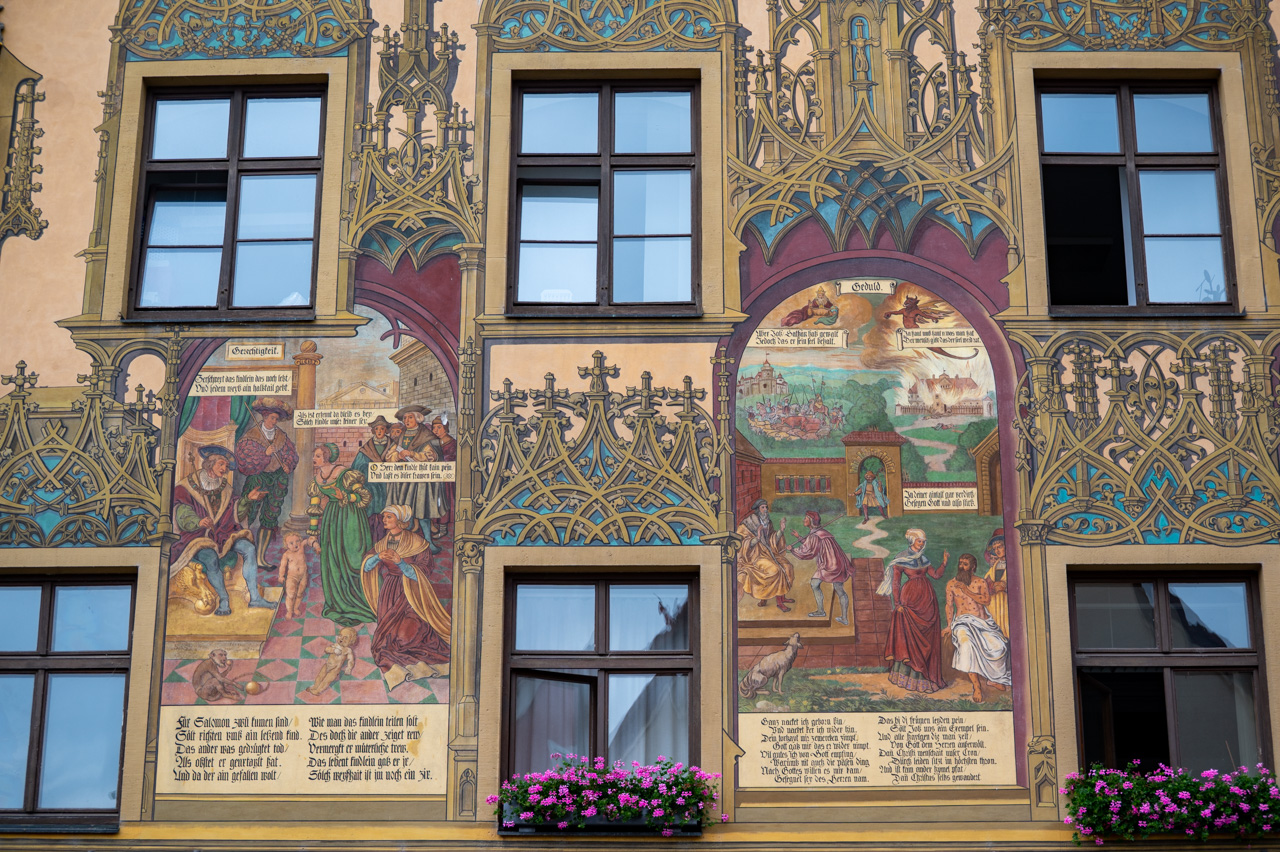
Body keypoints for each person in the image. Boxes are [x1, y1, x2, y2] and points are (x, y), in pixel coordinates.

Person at [171, 445, 274, 616]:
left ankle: (255, 597)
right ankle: (224, 599)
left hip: (223, 534)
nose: (224, 469)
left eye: (226, 466)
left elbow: (235, 513)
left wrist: (247, 500)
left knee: (249, 548)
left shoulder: (225, 489)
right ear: (210, 464)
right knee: (210, 558)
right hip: (197, 536)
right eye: (221, 464)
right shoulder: (187, 486)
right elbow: (182, 512)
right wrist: (198, 521)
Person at [360, 505, 452, 687]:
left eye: (389, 517)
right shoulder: (383, 543)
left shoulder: (417, 542)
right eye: (384, 517)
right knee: (387, 643)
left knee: (404, 638)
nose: (384, 520)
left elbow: (423, 573)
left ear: (400, 520)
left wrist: (400, 562)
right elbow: (367, 567)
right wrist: (378, 556)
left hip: (412, 594)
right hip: (389, 593)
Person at [308, 443, 377, 627]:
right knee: (333, 559)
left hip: (352, 518)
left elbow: (364, 496)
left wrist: (345, 497)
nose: (314, 459)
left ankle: (362, 600)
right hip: (331, 520)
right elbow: (314, 507)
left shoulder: (345, 474)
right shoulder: (317, 479)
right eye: (314, 456)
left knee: (354, 559)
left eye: (318, 456)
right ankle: (339, 603)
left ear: (327, 457)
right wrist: (313, 534)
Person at [234, 397, 299, 568]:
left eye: (276, 419)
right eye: (272, 418)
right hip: (257, 478)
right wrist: (265, 454)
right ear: (264, 417)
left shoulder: (282, 436)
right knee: (248, 514)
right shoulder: (251, 436)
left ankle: (260, 558)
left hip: (276, 481)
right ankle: (243, 557)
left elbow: (291, 455)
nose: (274, 421)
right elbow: (243, 460)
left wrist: (288, 465)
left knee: (270, 518)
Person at [883, 528, 948, 693]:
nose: (922, 544)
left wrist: (944, 563)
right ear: (912, 541)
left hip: (927, 601)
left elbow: (935, 575)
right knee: (910, 636)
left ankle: (928, 677)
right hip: (910, 601)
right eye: (920, 541)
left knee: (928, 636)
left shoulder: (923, 558)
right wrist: (897, 603)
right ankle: (910, 678)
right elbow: (896, 583)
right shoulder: (901, 558)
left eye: (923, 541)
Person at [943, 554, 1011, 703]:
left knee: (999, 647)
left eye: (965, 564)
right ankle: (977, 686)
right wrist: (949, 625)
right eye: (960, 563)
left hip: (983, 623)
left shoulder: (980, 582)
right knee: (966, 645)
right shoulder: (951, 584)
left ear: (973, 567)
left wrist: (966, 590)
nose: (961, 566)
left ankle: (993, 679)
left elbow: (986, 600)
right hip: (962, 622)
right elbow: (949, 606)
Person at [386, 404, 444, 554]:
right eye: (405, 418)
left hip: (420, 481)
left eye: (410, 417)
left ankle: (429, 543)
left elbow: (431, 457)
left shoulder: (426, 435)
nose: (407, 420)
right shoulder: (401, 436)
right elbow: (389, 456)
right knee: (404, 514)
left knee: (422, 512)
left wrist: (412, 454)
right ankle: (404, 544)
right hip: (403, 480)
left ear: (418, 418)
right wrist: (398, 456)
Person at [787, 510, 854, 625]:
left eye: (806, 518)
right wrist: (799, 537)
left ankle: (821, 611)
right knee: (839, 589)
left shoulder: (815, 534)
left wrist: (792, 550)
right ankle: (844, 618)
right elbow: (811, 544)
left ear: (811, 521)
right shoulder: (819, 532)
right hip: (837, 563)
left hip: (829, 565)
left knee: (815, 584)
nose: (804, 520)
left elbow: (808, 551)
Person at [736, 499, 796, 612]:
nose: (765, 510)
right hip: (755, 556)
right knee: (776, 570)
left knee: (788, 567)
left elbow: (771, 539)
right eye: (763, 507)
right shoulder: (748, 523)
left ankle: (782, 596)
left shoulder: (767, 522)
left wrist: (781, 531)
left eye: (766, 507)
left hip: (769, 552)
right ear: (758, 510)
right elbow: (742, 543)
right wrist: (757, 538)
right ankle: (778, 602)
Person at [350, 415, 394, 521]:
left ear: (386, 430)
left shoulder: (393, 445)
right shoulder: (366, 448)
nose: (379, 431)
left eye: (382, 429)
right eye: (377, 429)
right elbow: (357, 467)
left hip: (388, 483)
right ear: (373, 431)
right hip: (371, 484)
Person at [277, 532, 317, 620]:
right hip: (292, 577)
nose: (295, 544)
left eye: (297, 541)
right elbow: (283, 566)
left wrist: (314, 542)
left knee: (299, 594)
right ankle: (289, 611)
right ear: (286, 545)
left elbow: (308, 541)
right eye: (291, 543)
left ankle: (295, 608)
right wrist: (281, 576)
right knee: (291, 594)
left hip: (303, 576)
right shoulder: (286, 554)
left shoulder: (301, 547)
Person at [430, 415, 456, 538]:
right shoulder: (435, 442)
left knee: (444, 503)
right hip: (436, 477)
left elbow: (451, 459)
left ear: (445, 428)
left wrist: (437, 459)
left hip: (446, 480)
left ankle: (443, 528)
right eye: (434, 428)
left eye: (439, 427)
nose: (436, 430)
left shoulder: (451, 442)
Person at [982, 529, 1010, 638]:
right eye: (995, 548)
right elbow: (986, 583)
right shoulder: (995, 565)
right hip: (994, 604)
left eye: (999, 547)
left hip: (1006, 602)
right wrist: (992, 586)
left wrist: (1005, 586)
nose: (997, 550)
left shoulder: (1013, 563)